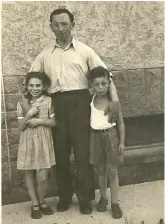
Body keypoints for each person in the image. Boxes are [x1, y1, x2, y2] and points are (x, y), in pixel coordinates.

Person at [24, 8, 120, 214]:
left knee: (82, 154)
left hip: (80, 104)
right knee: (60, 154)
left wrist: (115, 100)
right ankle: (65, 197)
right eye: (56, 25)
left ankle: (85, 199)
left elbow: (106, 75)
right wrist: (28, 109)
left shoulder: (85, 51)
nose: (60, 29)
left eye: (64, 24)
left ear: (72, 25)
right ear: (51, 27)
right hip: (56, 105)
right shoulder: (44, 55)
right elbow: (29, 82)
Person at [17, 72, 56, 219]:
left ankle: (41, 201)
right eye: (31, 85)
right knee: (29, 174)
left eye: (38, 85)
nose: (34, 88)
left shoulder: (49, 101)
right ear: (27, 86)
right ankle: (35, 204)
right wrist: (29, 114)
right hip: (27, 141)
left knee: (43, 177)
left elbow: (54, 122)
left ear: (44, 86)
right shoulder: (22, 103)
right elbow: (20, 127)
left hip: (43, 141)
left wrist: (39, 121)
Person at [88, 66, 125, 219]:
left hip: (110, 136)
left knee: (112, 171)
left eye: (104, 83)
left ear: (109, 83)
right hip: (95, 137)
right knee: (100, 171)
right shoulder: (91, 99)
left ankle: (115, 203)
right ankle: (104, 197)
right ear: (91, 85)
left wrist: (122, 142)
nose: (101, 87)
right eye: (97, 84)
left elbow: (121, 124)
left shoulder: (113, 103)